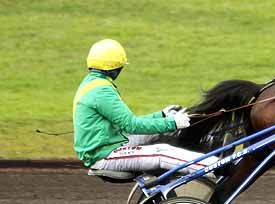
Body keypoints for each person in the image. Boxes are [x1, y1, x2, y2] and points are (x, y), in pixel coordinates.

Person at [73, 39, 220, 177]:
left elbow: (130, 123)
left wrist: (161, 115)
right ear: (115, 68)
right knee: (162, 152)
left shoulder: (92, 84)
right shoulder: (101, 91)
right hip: (105, 155)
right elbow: (132, 125)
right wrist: (172, 122)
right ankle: (216, 166)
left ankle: (211, 140)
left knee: (167, 128)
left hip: (111, 142)